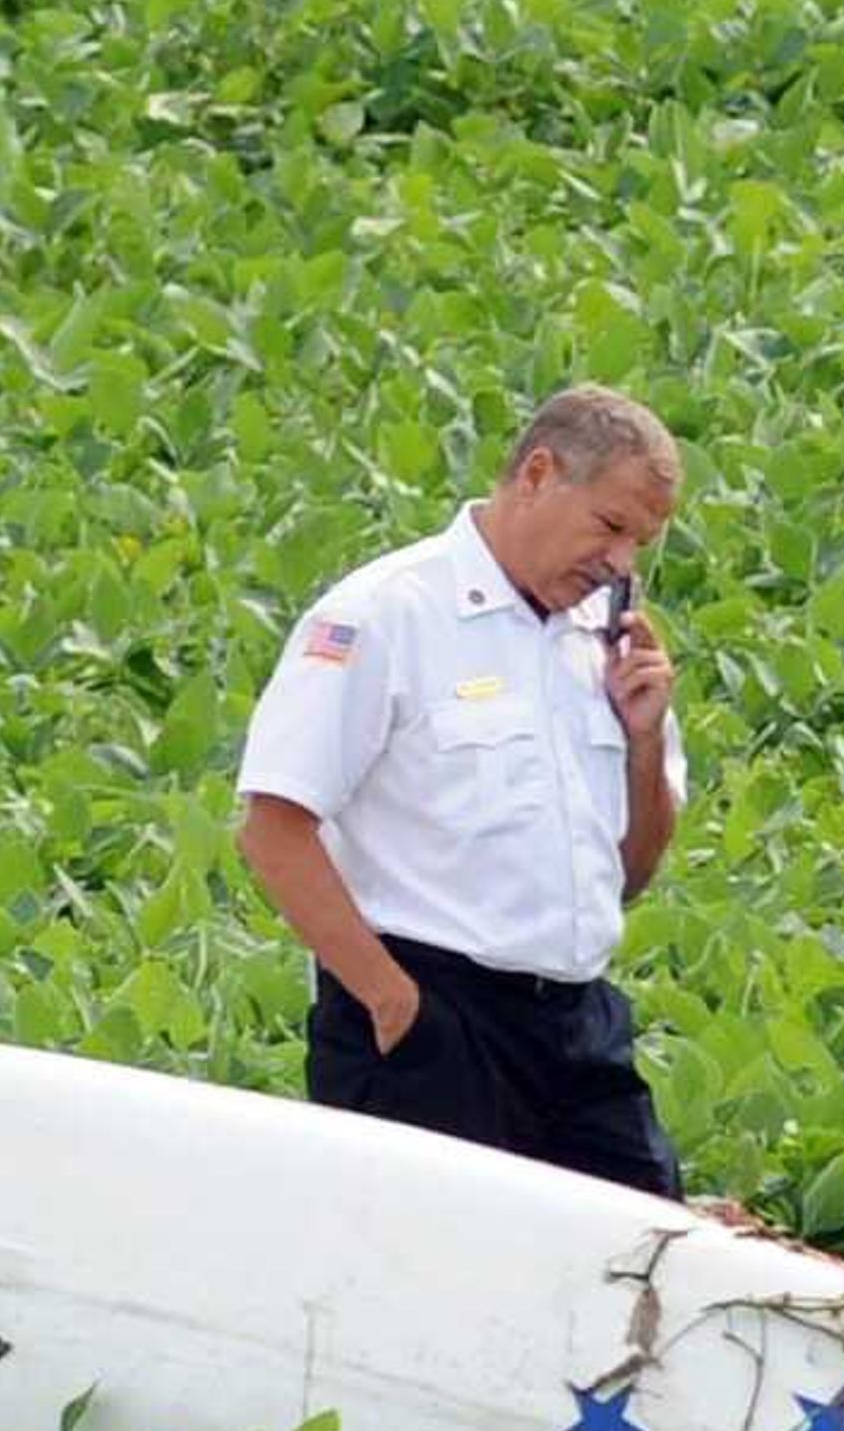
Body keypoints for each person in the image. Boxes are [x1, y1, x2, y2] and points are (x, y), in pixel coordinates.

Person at [234, 384, 689, 1197]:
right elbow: (273, 828)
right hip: (432, 1022)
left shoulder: (606, 643)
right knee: (428, 1291)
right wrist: (391, 1002)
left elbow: (631, 874)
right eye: (612, 527)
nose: (622, 564)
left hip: (579, 1027)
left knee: (643, 1260)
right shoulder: (387, 614)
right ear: (538, 475)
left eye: (642, 543)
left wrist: (644, 741)